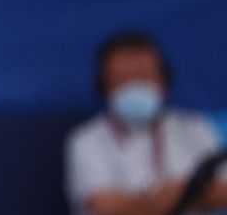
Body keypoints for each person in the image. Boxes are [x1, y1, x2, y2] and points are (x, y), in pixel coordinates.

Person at [66, 31, 227, 215]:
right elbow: (104, 207)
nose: (135, 85)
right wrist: (189, 193)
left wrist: (145, 202)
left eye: (143, 75)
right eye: (122, 78)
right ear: (105, 87)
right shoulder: (86, 139)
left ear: (164, 80)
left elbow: (224, 192)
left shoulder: (196, 128)